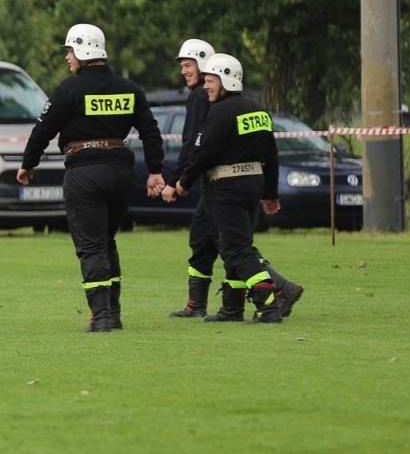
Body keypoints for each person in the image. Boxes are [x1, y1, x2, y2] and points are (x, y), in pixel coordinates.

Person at [18, 23, 165, 332]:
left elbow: (44, 128)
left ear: (82, 52)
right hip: (121, 172)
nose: (67, 58)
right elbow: (150, 131)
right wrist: (154, 171)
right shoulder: (129, 88)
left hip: (84, 171)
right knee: (106, 241)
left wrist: (28, 164)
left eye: (70, 51)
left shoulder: (69, 89)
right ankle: (113, 311)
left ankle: (101, 316)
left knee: (91, 246)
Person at [166, 54, 305, 323]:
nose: (206, 86)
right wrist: (269, 195)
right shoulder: (259, 111)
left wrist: (183, 182)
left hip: (225, 187)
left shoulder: (220, 112)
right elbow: (272, 156)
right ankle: (232, 309)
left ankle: (268, 305)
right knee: (239, 244)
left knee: (235, 249)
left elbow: (204, 154)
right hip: (252, 185)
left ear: (225, 80)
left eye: (210, 81)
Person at [169, 38, 219, 318]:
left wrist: (179, 180)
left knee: (225, 241)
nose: (183, 71)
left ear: (202, 64)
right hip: (216, 179)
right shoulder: (213, 95)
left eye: (188, 65)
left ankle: (274, 290)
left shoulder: (200, 96)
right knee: (206, 239)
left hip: (215, 182)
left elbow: (193, 142)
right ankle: (196, 303)